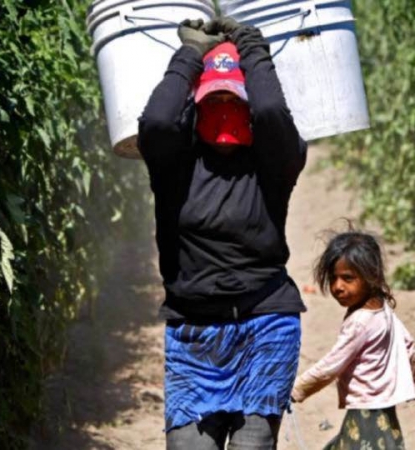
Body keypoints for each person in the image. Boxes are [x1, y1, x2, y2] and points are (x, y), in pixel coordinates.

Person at [137, 16, 307, 450]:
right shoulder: (175, 166)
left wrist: (252, 47)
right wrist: (190, 54)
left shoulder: (273, 165)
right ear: (196, 107)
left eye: (235, 99)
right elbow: (156, 121)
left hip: (265, 326)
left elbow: (271, 112)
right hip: (194, 337)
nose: (226, 109)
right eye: (215, 100)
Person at [291, 230, 415, 450]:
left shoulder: (360, 322)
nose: (338, 287)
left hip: (366, 412)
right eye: (333, 278)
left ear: (371, 277)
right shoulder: (382, 309)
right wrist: (414, 383)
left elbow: (332, 365)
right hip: (384, 409)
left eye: (348, 278)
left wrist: (295, 390)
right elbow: (408, 344)